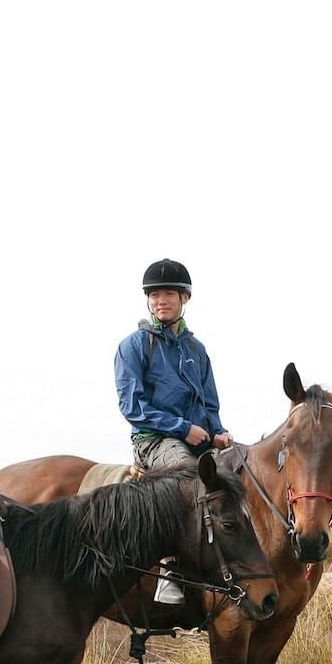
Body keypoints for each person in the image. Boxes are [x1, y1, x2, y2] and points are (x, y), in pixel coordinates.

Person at [113, 258, 232, 602]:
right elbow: (132, 408)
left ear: (185, 298)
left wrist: (219, 432)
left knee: (236, 475)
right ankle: (171, 571)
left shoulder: (197, 350)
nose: (160, 300)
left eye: (168, 294)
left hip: (196, 436)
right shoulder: (134, 346)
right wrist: (183, 428)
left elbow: (210, 404)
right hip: (154, 440)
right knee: (187, 476)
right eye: (154, 295)